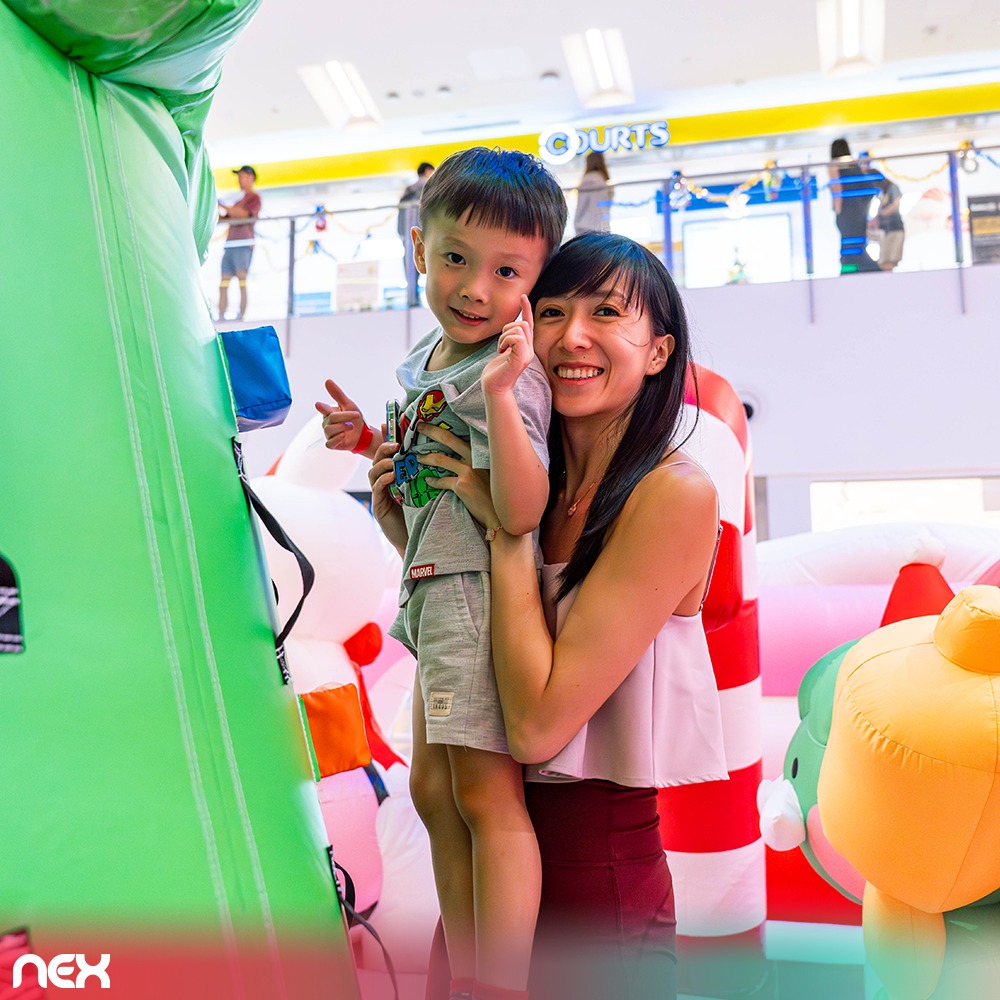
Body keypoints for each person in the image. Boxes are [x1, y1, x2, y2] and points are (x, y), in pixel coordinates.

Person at [370, 232, 729, 1000]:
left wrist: (508, 532)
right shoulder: (518, 471)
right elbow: (469, 637)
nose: (572, 337)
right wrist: (406, 528)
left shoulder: (673, 494)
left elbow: (536, 726)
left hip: (592, 886)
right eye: (553, 311)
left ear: (659, 351)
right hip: (484, 880)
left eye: (606, 313)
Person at [316, 147, 567, 1000]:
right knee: (432, 786)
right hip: (429, 582)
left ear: (534, 284)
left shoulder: (508, 365)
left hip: (473, 593)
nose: (474, 288)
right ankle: (467, 971)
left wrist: (500, 394)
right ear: (420, 246)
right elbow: (424, 468)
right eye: (456, 258)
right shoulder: (433, 353)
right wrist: (366, 443)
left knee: (484, 795)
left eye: (506, 272)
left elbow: (524, 506)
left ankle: (497, 983)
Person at [828, 139, 881, 274]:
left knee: (848, 241)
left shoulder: (833, 165)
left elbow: (837, 188)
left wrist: (838, 209)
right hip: (860, 209)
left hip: (847, 210)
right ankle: (862, 267)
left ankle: (850, 269)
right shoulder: (855, 164)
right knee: (858, 240)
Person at [218, 165, 261, 320]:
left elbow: (243, 215)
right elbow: (224, 218)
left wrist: (222, 204)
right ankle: (221, 315)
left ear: (251, 177)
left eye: (242, 176)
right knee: (224, 281)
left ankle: (241, 316)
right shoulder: (238, 201)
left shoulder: (254, 198)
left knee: (242, 280)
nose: (239, 179)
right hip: (230, 245)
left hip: (243, 244)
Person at [398, 161, 435, 306]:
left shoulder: (408, 190)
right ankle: (415, 300)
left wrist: (401, 234)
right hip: (424, 232)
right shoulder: (429, 186)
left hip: (408, 235)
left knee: (411, 267)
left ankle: (412, 299)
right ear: (427, 171)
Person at [573, 151, 613, 235]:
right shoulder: (604, 180)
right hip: (603, 226)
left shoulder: (587, 180)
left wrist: (576, 222)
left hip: (586, 226)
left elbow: (581, 205)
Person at [876, 175, 905, 271]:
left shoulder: (892, 187)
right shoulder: (880, 192)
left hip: (894, 228)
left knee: (890, 261)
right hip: (884, 230)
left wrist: (882, 213)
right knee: (884, 260)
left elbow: (896, 204)